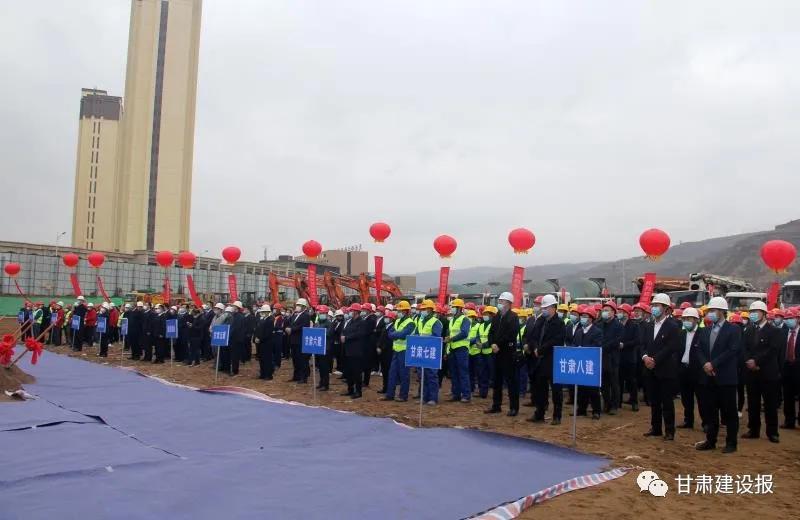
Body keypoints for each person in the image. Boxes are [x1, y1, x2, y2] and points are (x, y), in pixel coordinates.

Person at [693, 297, 741, 453]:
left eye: (713, 311)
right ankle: (710, 440)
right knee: (710, 411)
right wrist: (705, 364)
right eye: (709, 311)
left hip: (725, 377)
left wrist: (713, 364)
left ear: (722, 311)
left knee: (729, 412)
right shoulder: (705, 330)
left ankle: (731, 443)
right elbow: (698, 349)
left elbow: (732, 350)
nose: (710, 314)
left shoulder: (733, 330)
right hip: (708, 377)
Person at [742, 300, 783, 443]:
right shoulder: (749, 330)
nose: (753, 314)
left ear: (764, 313)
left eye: (756, 312)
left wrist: (757, 362)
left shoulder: (774, 331)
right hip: (752, 373)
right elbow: (745, 348)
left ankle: (772, 432)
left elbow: (772, 350)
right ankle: (753, 429)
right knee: (753, 403)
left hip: (767, 372)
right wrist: (748, 361)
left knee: (770, 404)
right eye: (751, 312)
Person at [641, 293, 681, 441]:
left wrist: (655, 360)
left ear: (666, 309)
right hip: (649, 369)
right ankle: (656, 428)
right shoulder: (648, 325)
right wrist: (645, 357)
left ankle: (669, 431)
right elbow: (643, 345)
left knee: (667, 402)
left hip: (665, 369)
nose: (654, 308)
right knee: (654, 401)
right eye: (653, 305)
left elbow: (671, 347)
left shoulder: (672, 326)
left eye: (657, 306)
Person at [527, 294, 567, 425]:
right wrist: (535, 348)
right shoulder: (540, 321)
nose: (543, 309)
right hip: (539, 360)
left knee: (556, 390)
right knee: (540, 388)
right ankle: (540, 413)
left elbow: (556, 340)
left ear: (553, 308)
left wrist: (541, 349)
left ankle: (557, 415)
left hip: (553, 359)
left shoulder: (559, 323)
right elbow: (533, 336)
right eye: (542, 307)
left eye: (546, 307)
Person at [485, 292, 521, 416]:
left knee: (511, 381)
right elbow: (491, 332)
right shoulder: (496, 316)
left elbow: (511, 334)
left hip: (507, 352)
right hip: (496, 352)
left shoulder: (513, 317)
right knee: (496, 380)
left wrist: (498, 344)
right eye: (499, 301)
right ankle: (496, 405)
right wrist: (492, 344)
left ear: (508, 303)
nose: (499, 303)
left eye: (502, 301)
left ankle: (514, 407)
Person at [573, 305, 603, 419]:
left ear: (591, 318)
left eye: (585, 316)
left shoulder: (597, 332)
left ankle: (596, 411)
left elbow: (597, 345)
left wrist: (583, 349)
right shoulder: (579, 331)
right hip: (580, 364)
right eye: (582, 316)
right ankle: (582, 409)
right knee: (581, 388)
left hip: (591, 363)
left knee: (593, 389)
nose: (582, 318)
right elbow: (574, 344)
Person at [381, 301, 416, 401]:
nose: (398, 312)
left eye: (400, 310)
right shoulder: (397, 321)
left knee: (404, 374)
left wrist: (395, 335)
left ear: (405, 311)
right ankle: (390, 395)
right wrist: (396, 335)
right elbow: (390, 333)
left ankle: (403, 396)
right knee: (392, 373)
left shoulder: (410, 323)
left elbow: (402, 334)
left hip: (405, 351)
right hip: (396, 350)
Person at [677, 307, 702, 429]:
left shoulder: (702, 333)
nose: (686, 321)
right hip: (683, 369)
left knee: (702, 399)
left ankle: (706, 422)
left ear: (696, 320)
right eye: (684, 319)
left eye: (689, 318)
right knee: (686, 398)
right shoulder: (681, 334)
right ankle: (688, 420)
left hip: (697, 370)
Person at [415, 299, 443, 405]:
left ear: (430, 310)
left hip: (432, 351)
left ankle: (433, 398)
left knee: (431, 375)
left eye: (424, 309)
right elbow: (418, 333)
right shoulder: (420, 321)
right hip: (422, 351)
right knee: (423, 375)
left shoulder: (436, 322)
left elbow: (436, 336)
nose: (422, 311)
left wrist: (423, 338)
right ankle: (424, 397)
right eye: (422, 309)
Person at [598, 300, 623, 415]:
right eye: (603, 310)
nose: (604, 312)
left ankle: (614, 405)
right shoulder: (600, 324)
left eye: (607, 310)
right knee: (604, 383)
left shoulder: (618, 325)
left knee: (614, 383)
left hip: (613, 358)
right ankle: (606, 404)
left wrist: (603, 347)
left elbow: (616, 341)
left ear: (613, 312)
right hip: (601, 358)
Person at [446, 298, 472, 403]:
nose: (451, 309)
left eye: (453, 307)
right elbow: (450, 333)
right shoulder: (452, 320)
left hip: (461, 349)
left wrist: (451, 339)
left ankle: (466, 395)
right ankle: (456, 394)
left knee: (463, 372)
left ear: (459, 308)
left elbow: (464, 333)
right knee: (454, 373)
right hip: (452, 348)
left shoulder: (464, 319)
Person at [341, 303, 369, 398]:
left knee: (357, 372)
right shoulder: (350, 321)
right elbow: (345, 330)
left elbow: (359, 334)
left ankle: (358, 391)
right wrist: (343, 336)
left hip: (357, 351)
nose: (350, 312)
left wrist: (347, 337)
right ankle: (350, 389)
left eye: (352, 311)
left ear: (356, 312)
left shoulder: (362, 322)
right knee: (349, 372)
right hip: (348, 350)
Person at [618, 303, 641, 411]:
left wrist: (625, 345)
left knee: (631, 381)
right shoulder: (617, 324)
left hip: (630, 357)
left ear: (627, 313)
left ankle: (634, 402)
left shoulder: (634, 325)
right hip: (618, 357)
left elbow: (637, 340)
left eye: (621, 312)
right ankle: (617, 402)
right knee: (619, 381)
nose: (619, 314)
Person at [285, 298, 311, 383]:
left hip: (300, 340)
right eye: (297, 305)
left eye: (299, 305)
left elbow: (303, 326)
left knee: (302, 359)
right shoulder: (294, 315)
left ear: (304, 307)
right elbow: (290, 323)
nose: (297, 307)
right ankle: (296, 376)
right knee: (295, 359)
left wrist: (292, 330)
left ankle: (303, 377)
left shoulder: (306, 315)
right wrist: (288, 328)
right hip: (293, 340)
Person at [782, 309, 800, 429]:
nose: (789, 321)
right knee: (787, 396)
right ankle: (789, 421)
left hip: (799, 367)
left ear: (798, 319)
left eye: (791, 318)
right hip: (786, 368)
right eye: (787, 319)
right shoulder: (783, 333)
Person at [475, 306, 495, 399]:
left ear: (491, 315)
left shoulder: (494, 325)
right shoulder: (481, 325)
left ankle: (496, 393)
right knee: (482, 373)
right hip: (482, 352)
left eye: (487, 314)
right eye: (484, 314)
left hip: (491, 353)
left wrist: (483, 345)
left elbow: (493, 339)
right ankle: (483, 392)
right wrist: (478, 342)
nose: (485, 316)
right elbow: (478, 336)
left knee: (492, 373)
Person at [254, 304, 275, 379]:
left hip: (267, 343)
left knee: (267, 359)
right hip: (261, 343)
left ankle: (268, 375)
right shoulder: (261, 320)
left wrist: (260, 339)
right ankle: (262, 373)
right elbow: (258, 330)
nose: (262, 313)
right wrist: (256, 337)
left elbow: (268, 333)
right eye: (262, 311)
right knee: (262, 359)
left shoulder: (270, 320)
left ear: (267, 312)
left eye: (264, 311)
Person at [376, 310, 395, 394]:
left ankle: (389, 388)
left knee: (388, 371)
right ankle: (385, 387)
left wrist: (381, 348)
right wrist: (378, 346)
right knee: (384, 371)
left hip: (388, 352)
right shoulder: (385, 327)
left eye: (387, 317)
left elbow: (389, 341)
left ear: (391, 319)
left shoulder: (393, 327)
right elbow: (380, 338)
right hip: (382, 352)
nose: (386, 319)